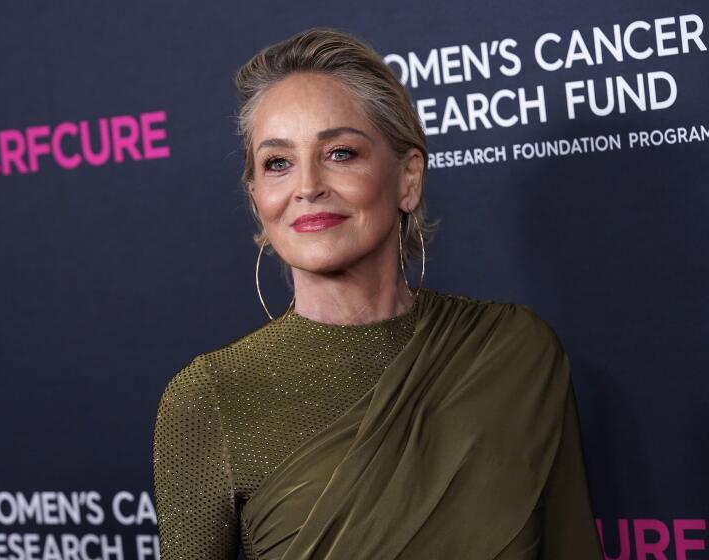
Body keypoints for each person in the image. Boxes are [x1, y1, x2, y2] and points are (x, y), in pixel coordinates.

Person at [152, 26, 603, 559]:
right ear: (257, 199)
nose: (307, 185)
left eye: (340, 153)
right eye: (278, 163)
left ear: (408, 178)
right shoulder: (210, 398)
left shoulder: (513, 354)